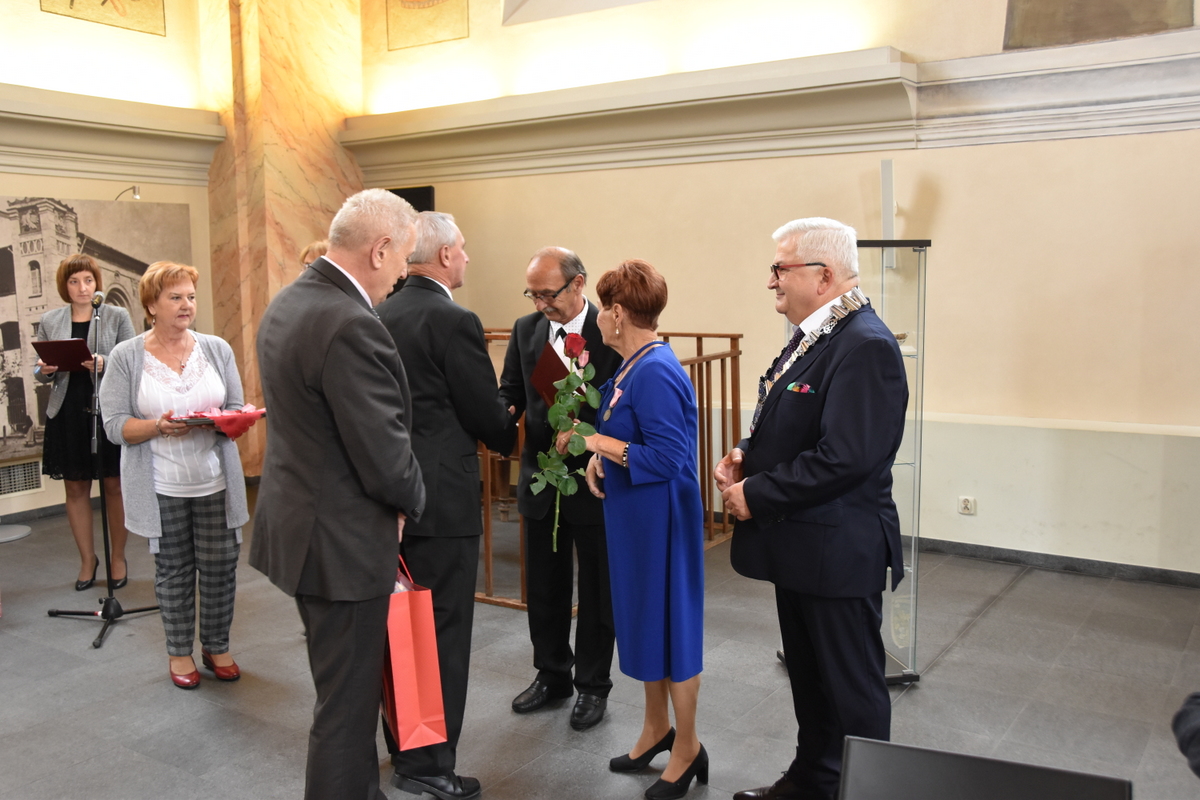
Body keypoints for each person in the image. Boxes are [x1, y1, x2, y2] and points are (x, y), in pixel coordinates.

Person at [715, 218, 908, 800]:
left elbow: (845, 457)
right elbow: (796, 423)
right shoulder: (816, 334)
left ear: (823, 276)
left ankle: (864, 791)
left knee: (852, 690)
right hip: (804, 544)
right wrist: (747, 453)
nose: (771, 281)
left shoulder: (866, 345)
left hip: (839, 548)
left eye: (781, 268)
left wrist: (758, 494)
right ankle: (813, 781)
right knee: (810, 680)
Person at [250, 188, 426, 800]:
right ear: (380, 250)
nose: (404, 273)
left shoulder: (289, 301)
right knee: (347, 712)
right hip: (342, 545)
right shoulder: (351, 322)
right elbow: (384, 455)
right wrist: (413, 500)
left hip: (302, 531)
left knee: (340, 695)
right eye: (404, 258)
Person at [376, 211, 516, 800]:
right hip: (444, 501)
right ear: (438, 257)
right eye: (461, 249)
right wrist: (511, 425)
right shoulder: (454, 320)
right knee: (445, 636)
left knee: (402, 630)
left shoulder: (378, 313)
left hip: (390, 495)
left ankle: (406, 747)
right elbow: (486, 415)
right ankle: (432, 764)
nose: (466, 258)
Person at [578, 259, 708, 800]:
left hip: (662, 521)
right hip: (636, 518)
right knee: (646, 623)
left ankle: (688, 746)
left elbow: (671, 456)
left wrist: (601, 446)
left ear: (616, 312)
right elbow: (626, 431)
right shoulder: (632, 364)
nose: (599, 321)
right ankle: (656, 728)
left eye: (604, 308)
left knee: (672, 627)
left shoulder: (655, 370)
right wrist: (600, 458)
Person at [100, 261, 249, 689]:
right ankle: (179, 652)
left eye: (191, 297)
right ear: (151, 305)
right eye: (175, 297)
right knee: (173, 571)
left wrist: (230, 420)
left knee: (221, 567)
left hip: (216, 481)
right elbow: (114, 426)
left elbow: (236, 406)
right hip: (161, 484)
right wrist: (156, 427)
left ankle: (216, 645)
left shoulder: (216, 348)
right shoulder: (127, 356)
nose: (187, 305)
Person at [499, 246, 622, 730]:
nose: (539, 305)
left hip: (593, 478)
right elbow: (511, 389)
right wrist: (501, 414)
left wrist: (592, 440)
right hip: (540, 476)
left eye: (548, 294)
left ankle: (593, 685)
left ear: (578, 284)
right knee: (544, 587)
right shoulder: (526, 330)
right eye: (532, 294)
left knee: (597, 588)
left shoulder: (609, 329)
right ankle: (552, 674)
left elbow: (617, 401)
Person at [36, 254, 135, 590]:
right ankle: (87, 560)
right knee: (75, 488)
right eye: (74, 281)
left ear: (97, 284)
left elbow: (133, 361)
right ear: (65, 286)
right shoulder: (51, 319)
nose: (82, 287)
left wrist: (104, 361)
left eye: (88, 281)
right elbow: (39, 370)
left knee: (114, 486)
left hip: (106, 409)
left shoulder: (116, 316)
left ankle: (117, 558)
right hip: (67, 411)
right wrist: (44, 369)